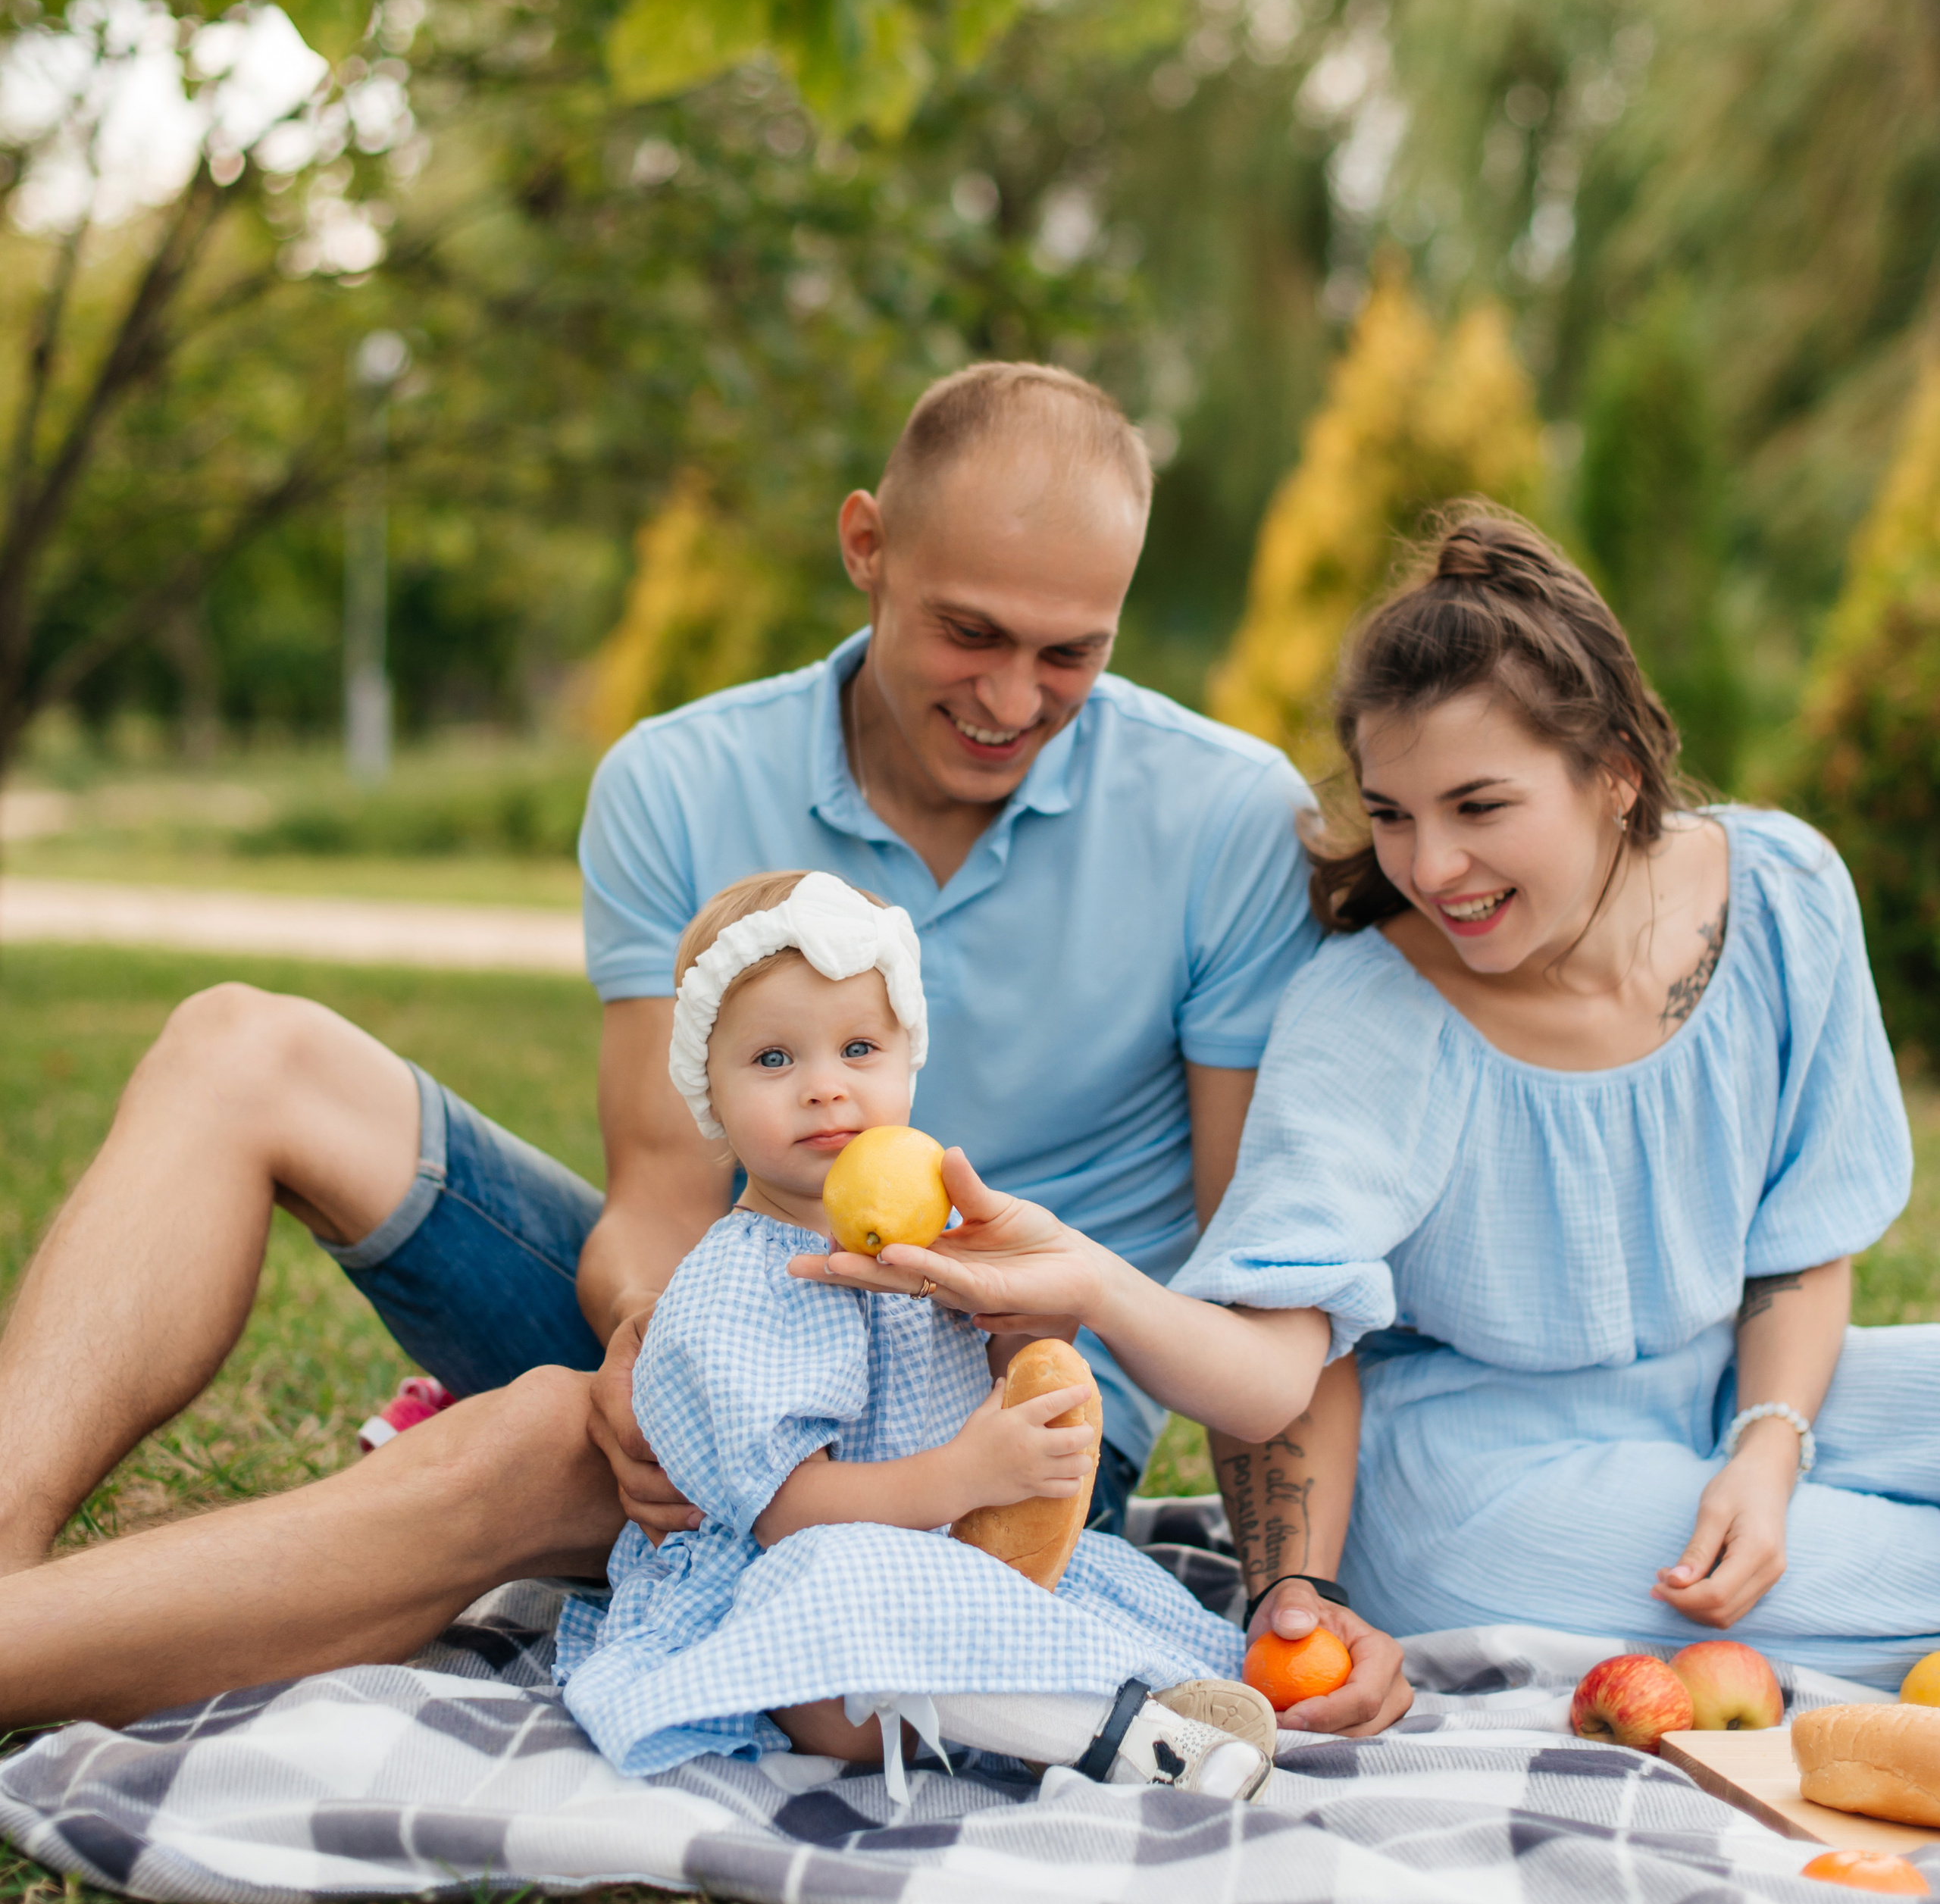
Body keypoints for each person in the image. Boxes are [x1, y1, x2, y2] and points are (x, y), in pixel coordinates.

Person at [0, 362, 1410, 1737]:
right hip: (723, 1298)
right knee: (240, 1042)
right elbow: (664, 1201)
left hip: (990, 1434)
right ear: (867, 547)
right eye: (969, 631)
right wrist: (651, 1358)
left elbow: (1257, 1260)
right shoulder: (676, 780)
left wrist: (1294, 1590)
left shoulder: (1226, 820)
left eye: (1071, 651)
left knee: (532, 1439)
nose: (1015, 696)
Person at [1159, 503, 1938, 1687]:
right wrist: (1295, 1605)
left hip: (1719, 1378)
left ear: (1616, 776)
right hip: (1479, 1479)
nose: (1428, 867)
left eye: (1478, 807)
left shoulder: (1784, 893)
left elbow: (1800, 1242)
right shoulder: (1371, 1013)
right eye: (1392, 813)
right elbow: (1286, 1338)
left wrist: (1768, 1448)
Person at [556, 865, 1291, 1806]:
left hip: (947, 1551)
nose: (825, 1091)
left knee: (1096, 1575)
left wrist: (1028, 1332)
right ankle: (1120, 1737)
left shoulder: (925, 1248)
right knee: (845, 1585)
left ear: (910, 1060)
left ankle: (1136, 1699)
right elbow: (785, 1517)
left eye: (858, 1048)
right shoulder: (743, 1282)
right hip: (790, 1598)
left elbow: (961, 1392)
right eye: (774, 1060)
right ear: (710, 1089)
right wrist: (966, 1478)